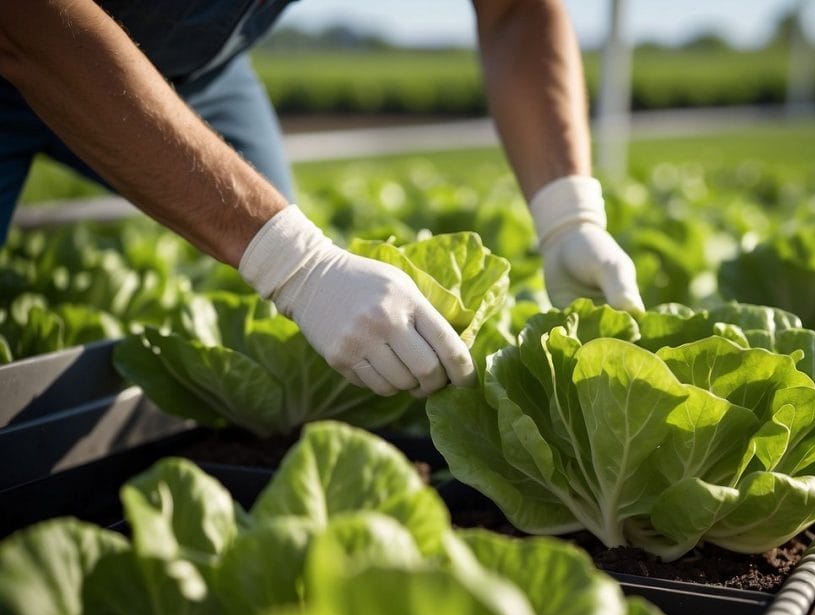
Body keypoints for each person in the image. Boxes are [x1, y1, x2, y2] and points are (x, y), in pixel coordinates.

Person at [0, 0, 644, 397]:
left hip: (198, 70)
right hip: (36, 36)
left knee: (292, 319)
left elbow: (515, 9)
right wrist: (296, 264)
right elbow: (30, 24)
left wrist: (569, 216)